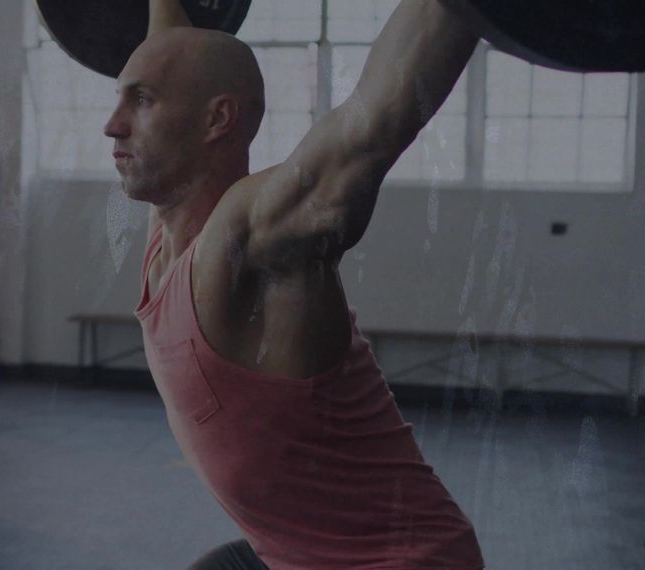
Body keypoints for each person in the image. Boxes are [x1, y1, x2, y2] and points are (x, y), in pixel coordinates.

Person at [106, 0, 484, 567]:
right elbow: (173, 51)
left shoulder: (252, 242)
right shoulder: (171, 229)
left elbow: (373, 125)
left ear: (217, 120)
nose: (112, 124)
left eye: (140, 101)